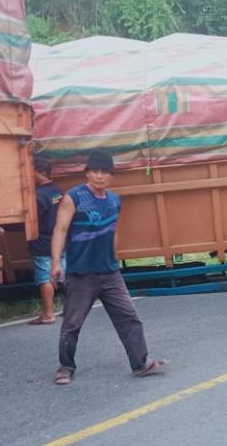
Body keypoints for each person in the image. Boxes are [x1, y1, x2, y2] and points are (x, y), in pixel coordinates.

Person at [49, 150, 166, 385]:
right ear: (87, 173)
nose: (99, 176)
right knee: (72, 323)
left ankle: (140, 364)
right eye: (95, 171)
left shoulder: (114, 200)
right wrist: (55, 263)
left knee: (129, 317)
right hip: (81, 273)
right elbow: (60, 230)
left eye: (104, 172)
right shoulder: (73, 198)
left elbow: (114, 232)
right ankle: (65, 367)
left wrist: (116, 259)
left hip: (110, 272)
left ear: (112, 176)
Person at [27, 157, 64, 325]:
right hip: (61, 242)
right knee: (64, 275)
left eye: (31, 173)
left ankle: (48, 314)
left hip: (42, 242)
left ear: (41, 173)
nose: (29, 176)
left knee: (45, 278)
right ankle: (70, 309)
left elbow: (32, 222)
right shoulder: (59, 192)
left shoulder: (36, 196)